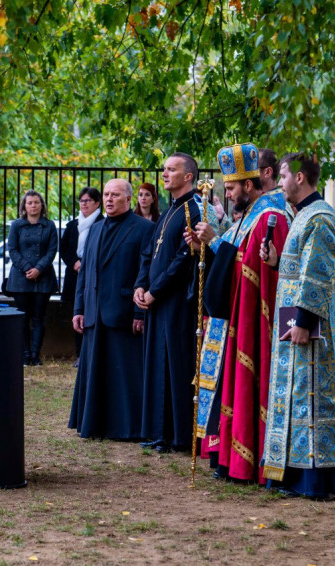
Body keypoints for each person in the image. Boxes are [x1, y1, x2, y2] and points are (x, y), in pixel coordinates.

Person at [187, 142, 290, 484]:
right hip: (235, 317)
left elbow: (254, 267)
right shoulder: (247, 215)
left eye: (230, 188)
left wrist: (215, 240)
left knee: (247, 384)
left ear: (248, 184)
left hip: (253, 320)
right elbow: (231, 255)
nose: (227, 194)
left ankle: (247, 459)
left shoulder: (270, 214)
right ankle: (228, 456)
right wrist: (204, 244)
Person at [259, 153, 335, 498]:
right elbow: (301, 267)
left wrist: (303, 321)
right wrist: (276, 262)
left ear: (299, 177)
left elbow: (318, 274)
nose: (280, 183)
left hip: (311, 326)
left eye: (283, 176)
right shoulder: (302, 215)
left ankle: (315, 478)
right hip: (296, 320)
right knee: (295, 393)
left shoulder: (320, 218)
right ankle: (291, 472)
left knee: (311, 396)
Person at [69, 179, 154, 439]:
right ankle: (94, 424)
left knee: (126, 375)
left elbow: (145, 271)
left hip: (125, 312)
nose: (108, 199)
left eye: (115, 195)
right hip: (94, 312)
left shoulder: (144, 228)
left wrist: (139, 312)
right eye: (106, 194)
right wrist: (79, 308)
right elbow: (85, 273)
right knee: (94, 372)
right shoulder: (95, 228)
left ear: (128, 199)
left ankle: (128, 428)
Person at [133, 152, 202, 453]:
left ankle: (177, 435)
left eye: (171, 169)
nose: (164, 174)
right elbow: (149, 251)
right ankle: (156, 431)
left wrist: (156, 290)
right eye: (164, 169)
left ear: (188, 176)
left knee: (175, 365)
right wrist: (140, 285)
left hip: (177, 301)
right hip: (155, 300)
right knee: (156, 362)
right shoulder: (168, 210)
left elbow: (183, 260)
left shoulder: (194, 210)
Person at [6, 190, 58, 366]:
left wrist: (38, 269)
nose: (33, 206)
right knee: (23, 318)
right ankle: (25, 355)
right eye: (30, 203)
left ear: (42, 205)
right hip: (21, 278)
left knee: (39, 317)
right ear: (24, 206)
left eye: (36, 202)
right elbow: (12, 249)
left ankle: (35, 356)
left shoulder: (49, 226)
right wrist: (28, 268)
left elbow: (52, 250)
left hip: (43, 277)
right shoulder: (16, 225)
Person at [60, 187, 103, 366]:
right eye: (82, 200)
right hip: (75, 273)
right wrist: (74, 263)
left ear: (97, 203)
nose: (84, 204)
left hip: (94, 273)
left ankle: (93, 353)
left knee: (93, 312)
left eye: (88, 200)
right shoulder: (73, 225)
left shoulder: (102, 223)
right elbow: (64, 248)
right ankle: (79, 354)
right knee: (77, 313)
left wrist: (86, 264)